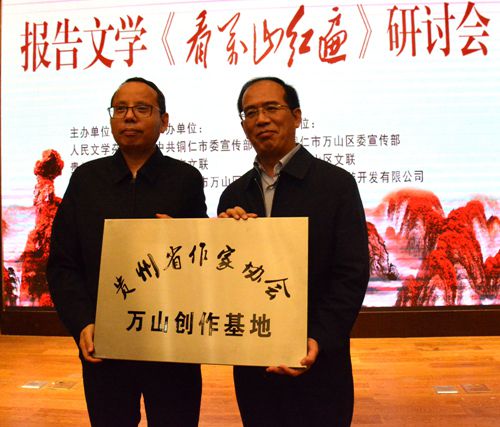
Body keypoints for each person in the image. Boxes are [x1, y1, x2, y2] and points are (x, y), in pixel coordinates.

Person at [47, 77, 207, 427]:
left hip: (172, 344)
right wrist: (82, 322)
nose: (129, 117)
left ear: (164, 121)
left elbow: (203, 263)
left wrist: (186, 239)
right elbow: (63, 264)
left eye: (141, 109)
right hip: (105, 342)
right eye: (120, 109)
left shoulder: (185, 179)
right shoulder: (86, 180)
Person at [218, 77, 370, 427]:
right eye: (250, 112)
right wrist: (222, 236)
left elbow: (351, 272)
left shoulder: (336, 185)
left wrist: (319, 337)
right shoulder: (234, 195)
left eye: (271, 108)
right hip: (253, 361)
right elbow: (227, 282)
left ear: (297, 116)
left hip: (319, 358)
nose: (261, 119)